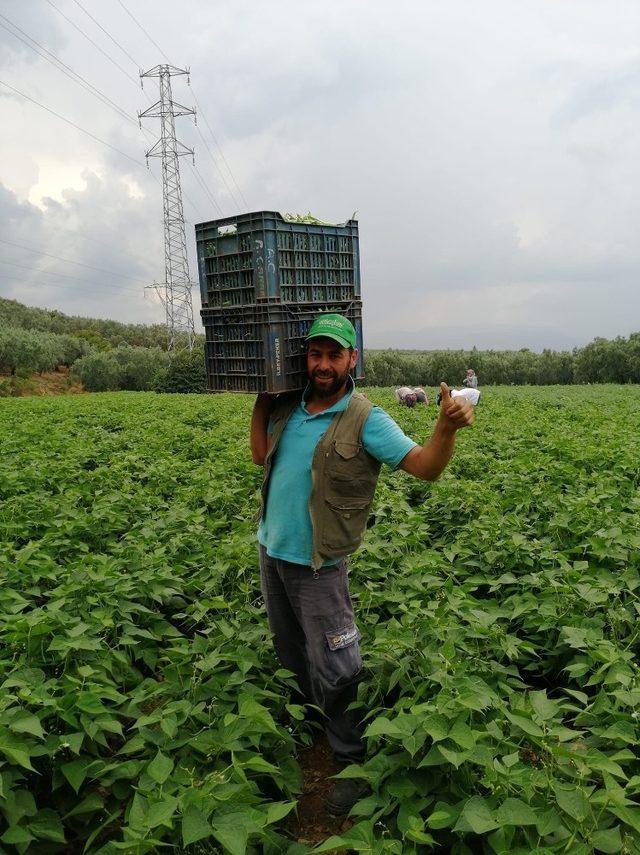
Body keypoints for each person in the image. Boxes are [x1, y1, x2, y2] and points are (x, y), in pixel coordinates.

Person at [250, 314, 474, 816]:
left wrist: (444, 427)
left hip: (319, 564)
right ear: (305, 358)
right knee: (293, 655)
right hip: (273, 551)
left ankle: (350, 761)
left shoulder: (365, 416)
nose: (324, 365)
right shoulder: (289, 405)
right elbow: (258, 455)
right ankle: (310, 732)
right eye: (316, 354)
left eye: (335, 355)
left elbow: (425, 468)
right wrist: (263, 396)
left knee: (337, 665)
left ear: (353, 359)